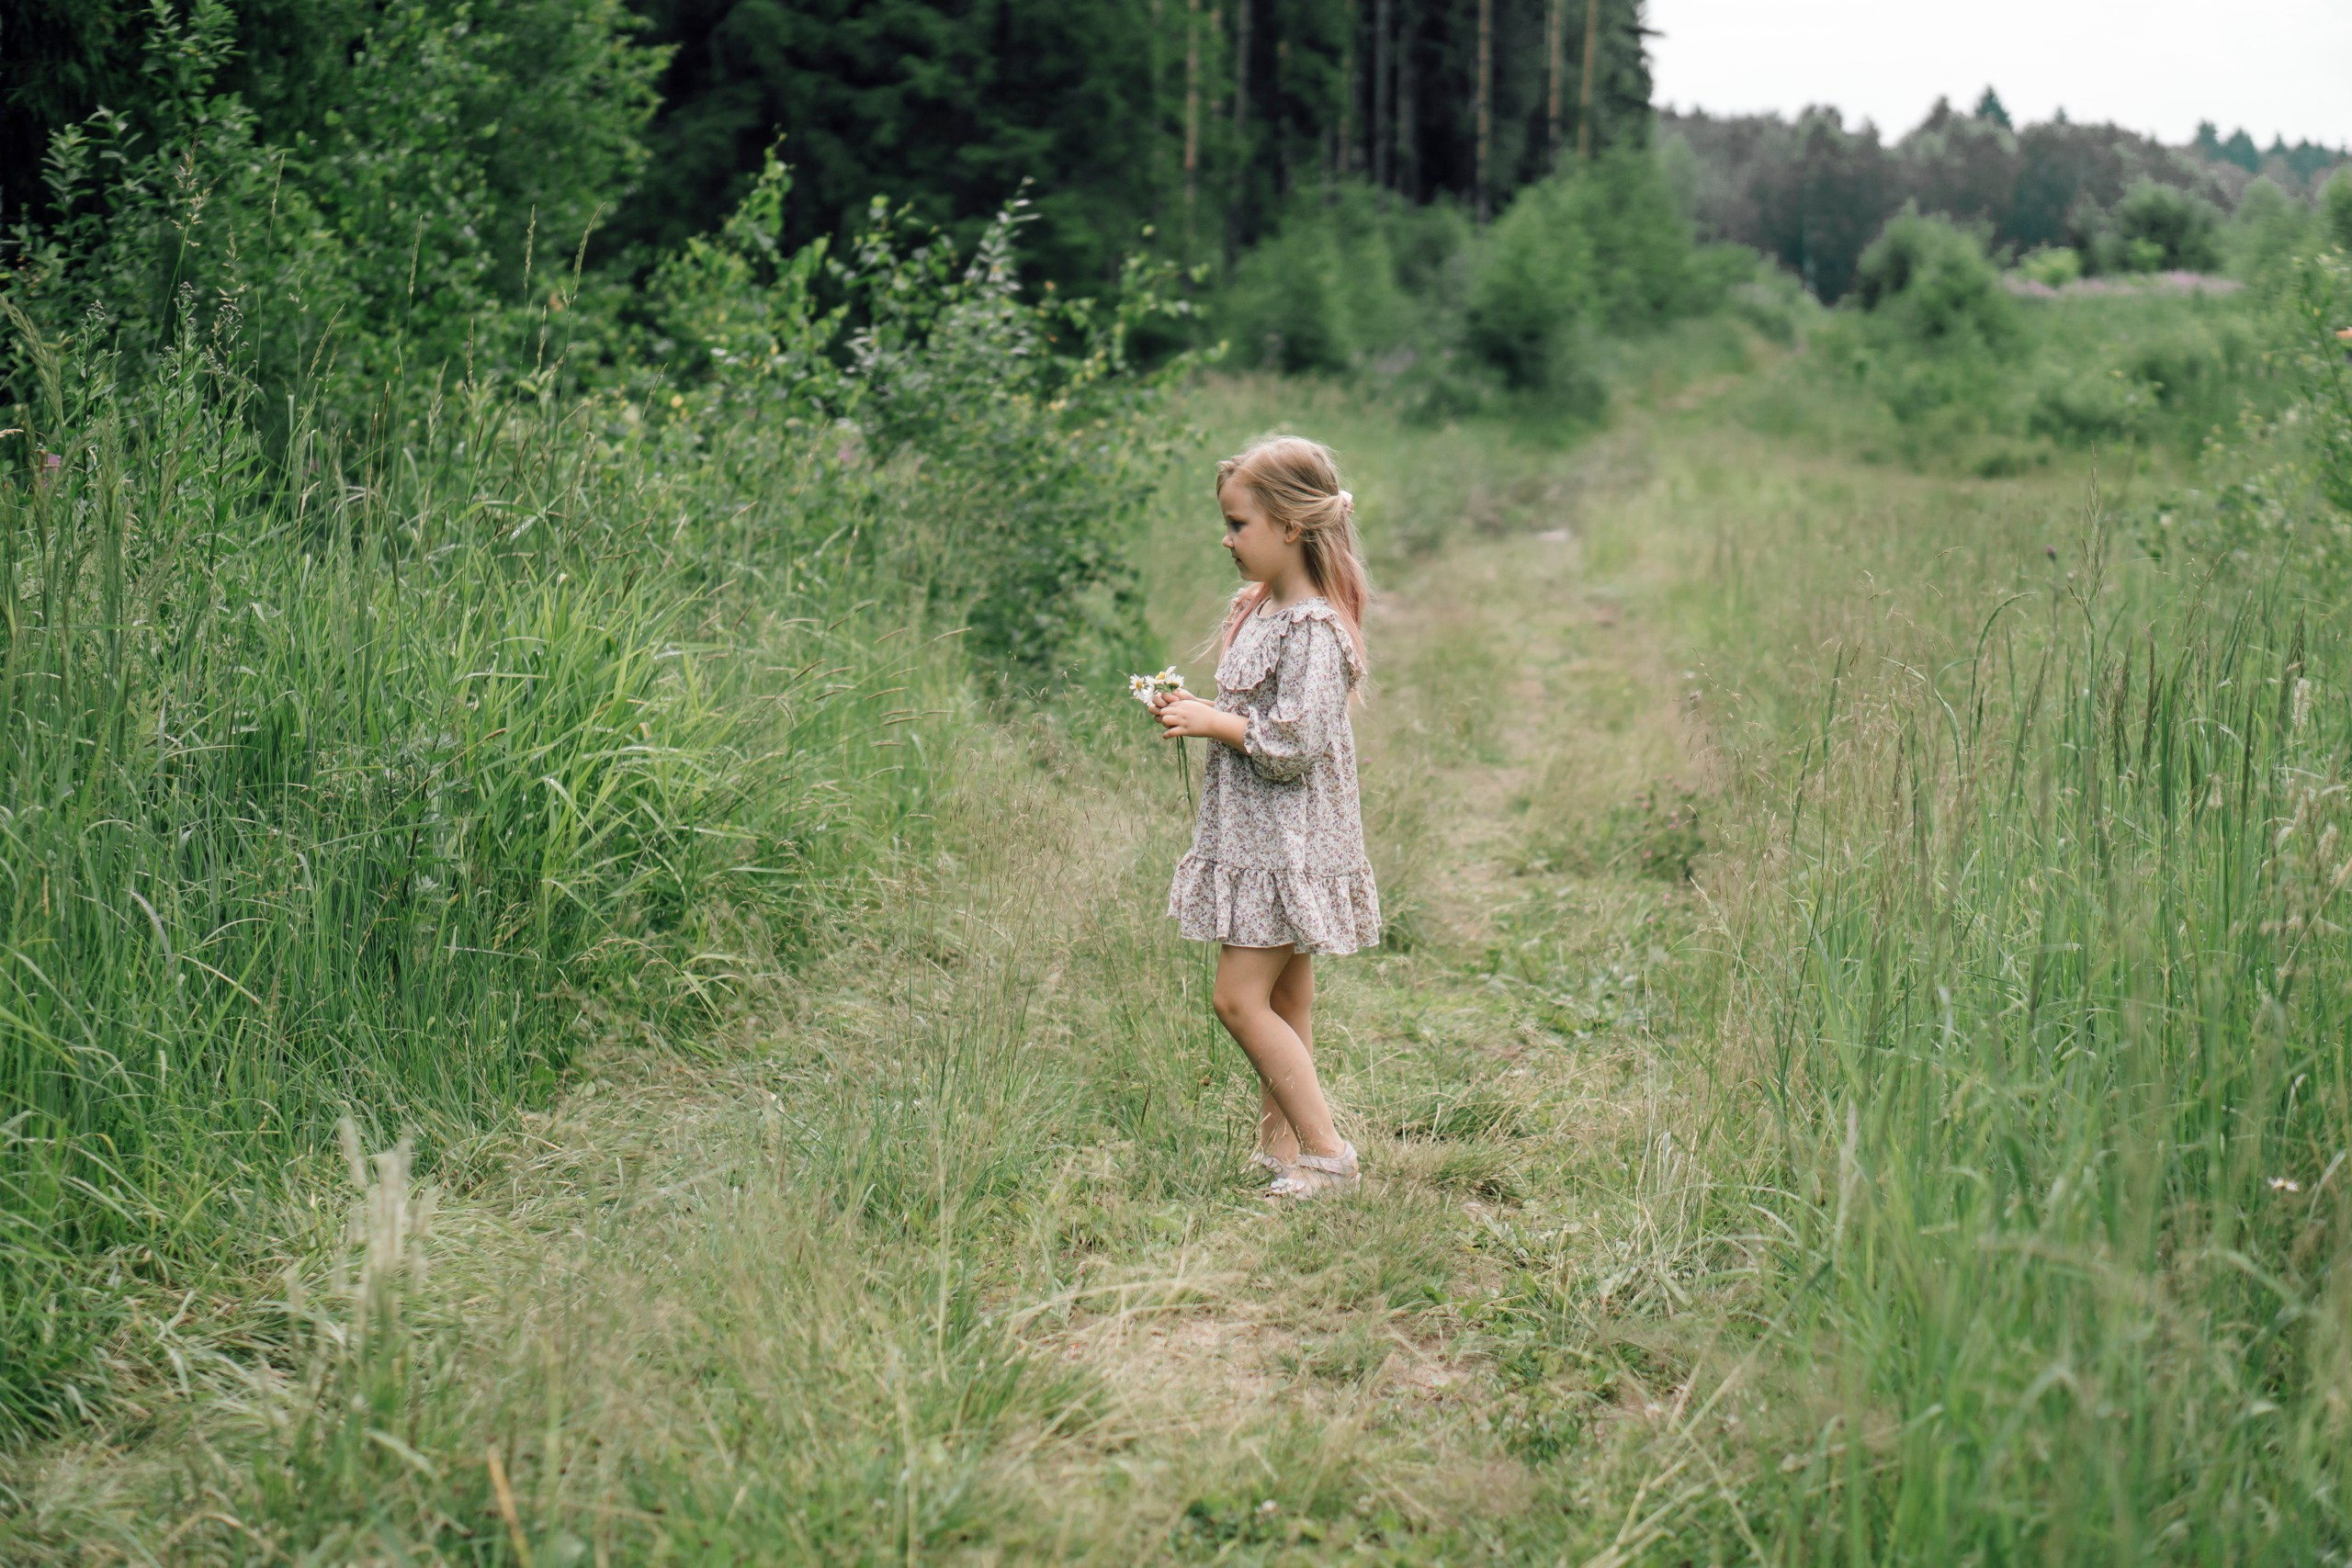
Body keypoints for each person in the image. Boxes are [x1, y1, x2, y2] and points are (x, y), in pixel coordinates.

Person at [1151, 436, 1381, 1200]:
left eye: (1239, 523)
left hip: (1289, 838)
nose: (1227, 538)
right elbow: (1257, 713)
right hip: (1258, 835)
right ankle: (1282, 1146)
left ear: (1290, 526)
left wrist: (1216, 724)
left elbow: (1294, 743)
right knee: (1286, 998)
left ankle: (1328, 1153)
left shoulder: (1314, 628)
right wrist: (1197, 708)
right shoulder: (1258, 609)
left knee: (1236, 997)